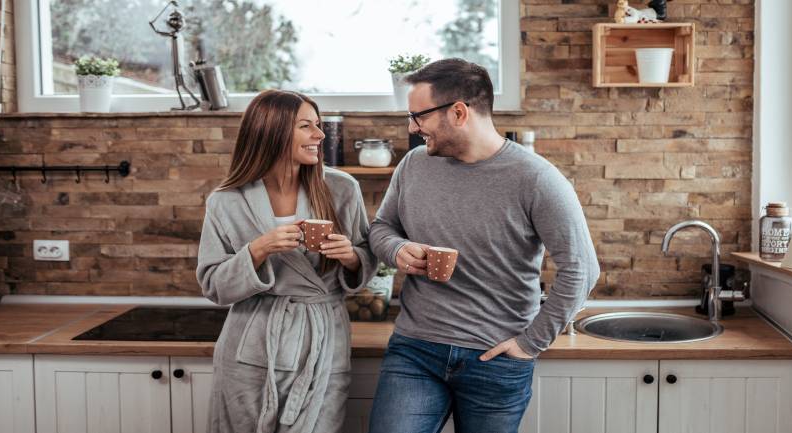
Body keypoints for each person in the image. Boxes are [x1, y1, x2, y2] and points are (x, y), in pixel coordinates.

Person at [367, 58, 601, 433]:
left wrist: (529, 344)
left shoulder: (537, 179)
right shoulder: (413, 165)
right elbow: (381, 228)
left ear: (459, 112)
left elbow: (582, 269)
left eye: (418, 116)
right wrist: (396, 249)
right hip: (415, 350)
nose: (411, 127)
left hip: (495, 359)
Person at [196, 90, 376, 433]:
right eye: (307, 126)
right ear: (272, 131)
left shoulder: (342, 189)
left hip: (322, 343)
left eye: (318, 125)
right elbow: (213, 285)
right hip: (252, 345)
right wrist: (258, 249)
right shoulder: (227, 201)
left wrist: (351, 257)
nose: (320, 135)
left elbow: (366, 261)